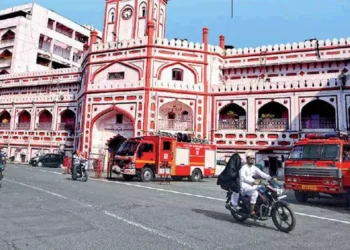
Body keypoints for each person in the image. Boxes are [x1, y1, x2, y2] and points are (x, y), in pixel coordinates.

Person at [240, 150, 272, 216]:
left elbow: (261, 173)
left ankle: (261, 206)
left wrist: (269, 177)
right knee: (255, 193)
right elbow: (243, 178)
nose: (252, 160)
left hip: (252, 184)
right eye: (250, 158)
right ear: (247, 159)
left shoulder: (254, 167)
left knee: (264, 190)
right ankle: (252, 211)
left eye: (253, 158)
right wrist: (253, 182)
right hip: (244, 185)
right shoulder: (243, 168)